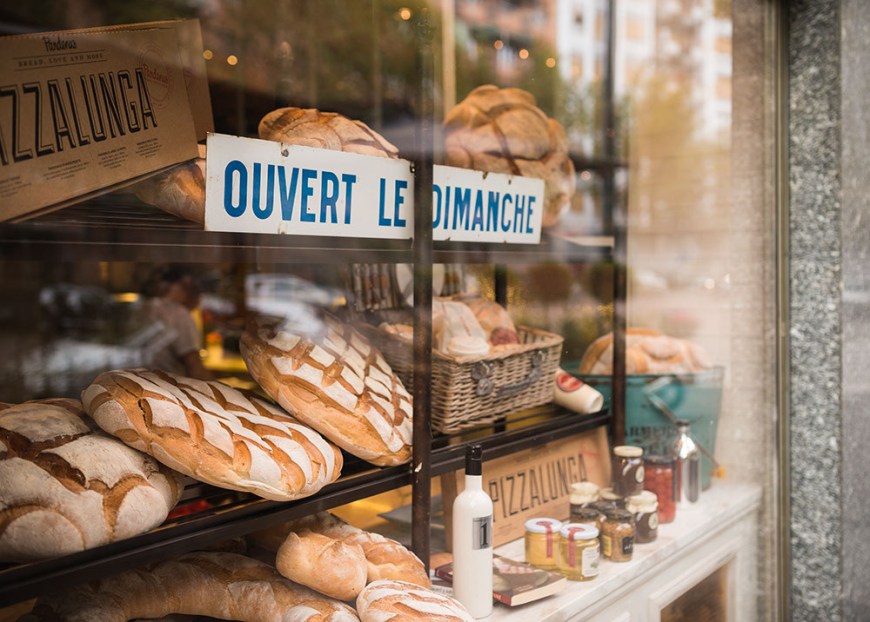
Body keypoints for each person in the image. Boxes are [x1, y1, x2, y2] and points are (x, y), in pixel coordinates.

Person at [143, 265, 213, 380]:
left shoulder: (145, 306)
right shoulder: (179, 314)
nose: (198, 299)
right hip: (165, 390)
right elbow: (195, 369)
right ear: (186, 284)